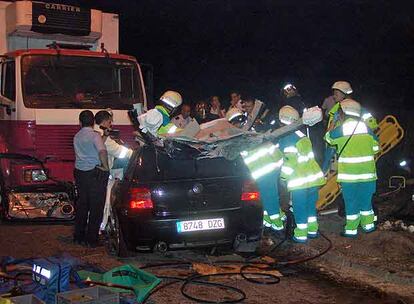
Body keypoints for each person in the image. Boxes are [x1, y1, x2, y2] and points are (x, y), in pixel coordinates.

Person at [325, 99, 379, 237]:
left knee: (351, 202)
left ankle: (351, 230)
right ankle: (368, 226)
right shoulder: (367, 129)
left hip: (349, 176)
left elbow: (328, 139)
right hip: (368, 175)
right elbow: (376, 148)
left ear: (342, 113)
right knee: (366, 201)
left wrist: (332, 123)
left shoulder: (340, 130)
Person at [278, 106, 326, 242]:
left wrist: (283, 177)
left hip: (299, 181)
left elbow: (290, 161)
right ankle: (313, 230)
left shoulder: (287, 138)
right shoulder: (302, 135)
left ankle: (300, 234)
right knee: (311, 206)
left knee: (299, 208)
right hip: (313, 180)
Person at [73, 110, 109, 247]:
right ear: (93, 122)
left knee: (82, 205)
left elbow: (91, 149)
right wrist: (105, 167)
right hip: (94, 174)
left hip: (80, 173)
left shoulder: (77, 136)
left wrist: (103, 137)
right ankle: (92, 239)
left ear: (80, 122)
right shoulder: (95, 136)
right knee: (96, 206)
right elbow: (101, 151)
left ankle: (78, 236)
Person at [94, 110, 133, 231]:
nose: (111, 124)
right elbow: (119, 151)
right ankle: (101, 228)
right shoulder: (104, 137)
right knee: (105, 201)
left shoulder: (94, 132)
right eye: (110, 121)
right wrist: (135, 153)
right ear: (105, 121)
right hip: (102, 173)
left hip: (91, 171)